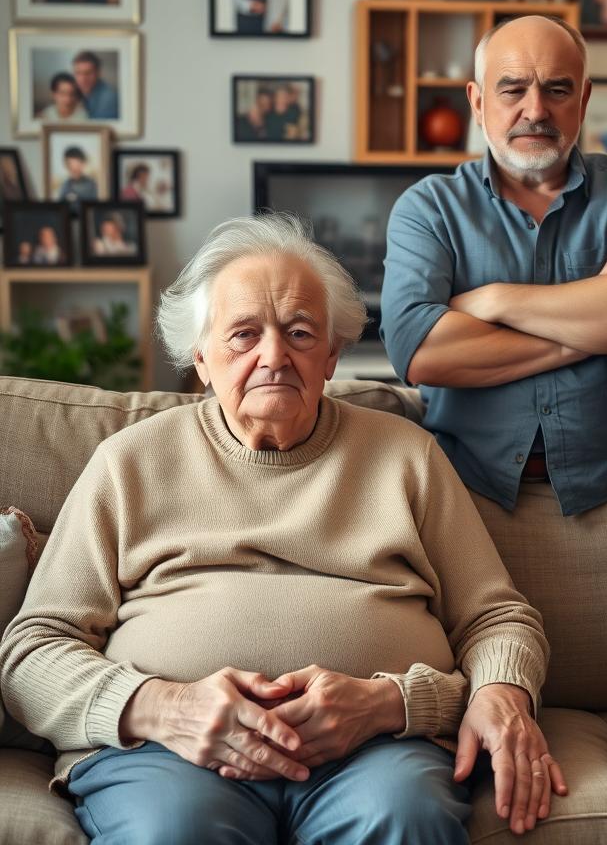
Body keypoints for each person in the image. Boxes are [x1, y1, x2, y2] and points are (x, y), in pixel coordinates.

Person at [0, 213, 564, 844]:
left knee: (405, 818)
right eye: (244, 334)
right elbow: (33, 650)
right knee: (173, 831)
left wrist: (435, 699)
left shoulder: (406, 455)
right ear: (202, 359)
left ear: (331, 356)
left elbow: (497, 617)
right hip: (168, 756)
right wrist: (165, 707)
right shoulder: (130, 462)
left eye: (299, 332)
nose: (275, 356)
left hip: (376, 752)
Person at [381, 14, 607, 519]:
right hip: (466, 490)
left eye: (557, 90)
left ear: (583, 101)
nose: (535, 110)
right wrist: (592, 324)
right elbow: (419, 352)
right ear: (476, 102)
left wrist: (496, 300)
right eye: (512, 89)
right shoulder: (428, 207)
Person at [72, 50, 119, 120]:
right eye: (78, 73)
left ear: (98, 73)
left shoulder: (109, 99)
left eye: (88, 73)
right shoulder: (76, 94)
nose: (82, 79)